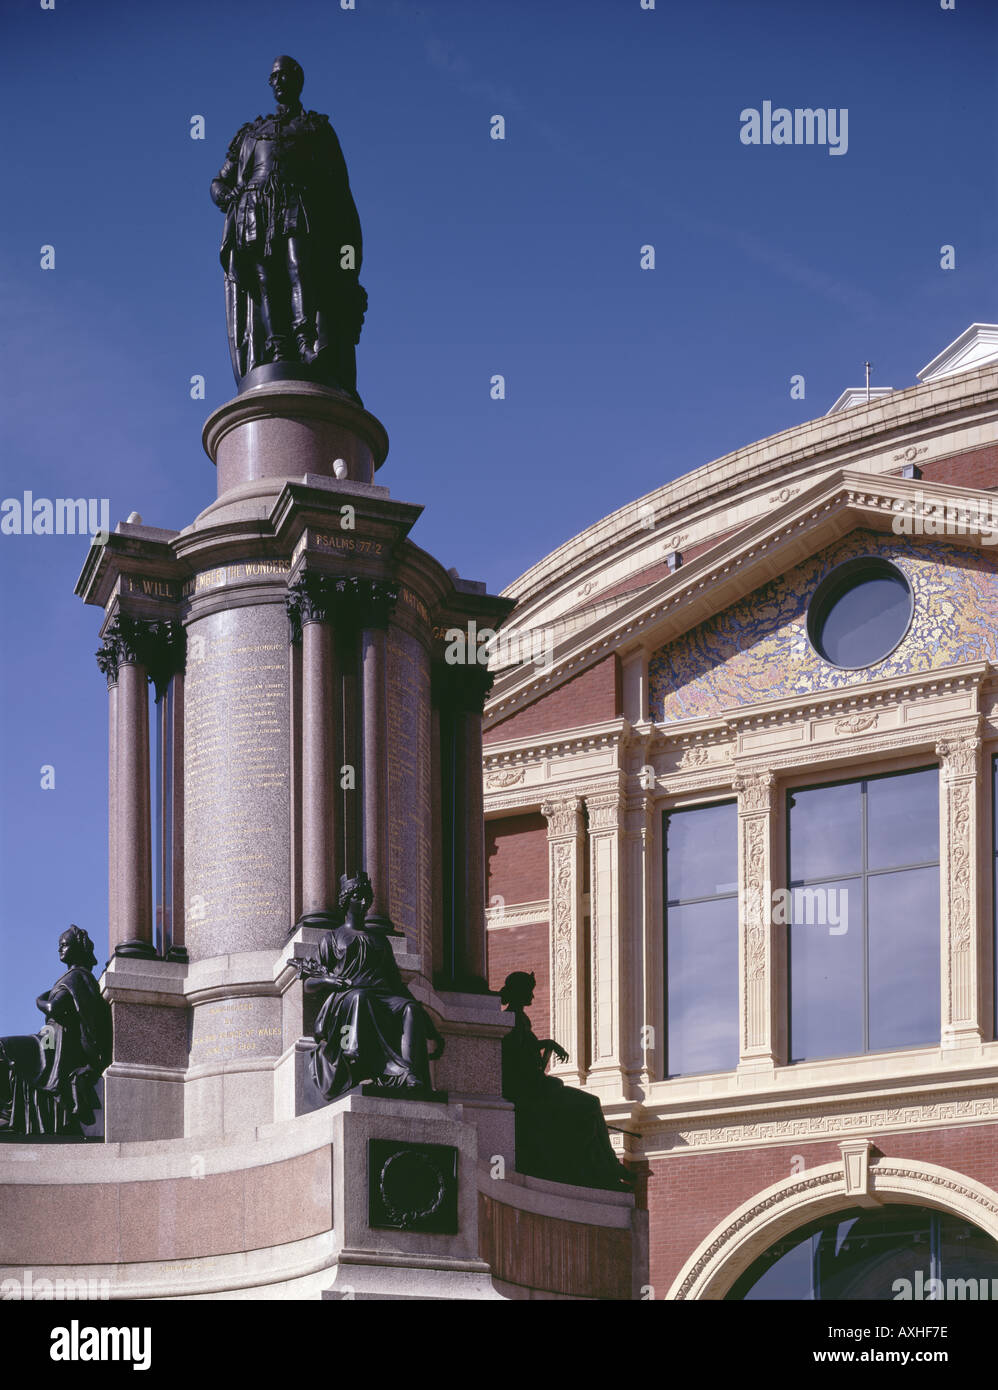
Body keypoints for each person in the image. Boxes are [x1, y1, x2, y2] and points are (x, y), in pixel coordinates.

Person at [210, 56, 366, 397]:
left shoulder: (315, 128)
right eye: (273, 78)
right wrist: (230, 196)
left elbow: (338, 187)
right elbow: (218, 182)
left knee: (300, 270)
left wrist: (347, 258)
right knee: (266, 281)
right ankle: (278, 348)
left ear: (299, 79)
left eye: (284, 75)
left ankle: (306, 341)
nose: (278, 82)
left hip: (299, 207)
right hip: (255, 212)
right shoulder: (250, 133)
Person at [305, 873, 444, 1101]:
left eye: (366, 897)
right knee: (361, 997)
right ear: (345, 900)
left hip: (384, 996)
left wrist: (431, 1028)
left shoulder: (380, 940)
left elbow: (396, 985)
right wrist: (329, 981)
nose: (363, 902)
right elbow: (310, 984)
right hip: (347, 999)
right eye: (357, 897)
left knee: (409, 1008)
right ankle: (355, 1060)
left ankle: (409, 1073)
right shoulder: (331, 939)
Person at [500, 971, 633, 1191]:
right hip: (530, 1094)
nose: (533, 997)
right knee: (590, 1105)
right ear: (520, 992)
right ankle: (608, 1166)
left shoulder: (519, 1019)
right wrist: (545, 1049)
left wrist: (547, 1044)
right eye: (529, 992)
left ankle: (609, 1165)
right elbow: (520, 1066)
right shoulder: (511, 1021)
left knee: (591, 1105)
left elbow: (527, 1054)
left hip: (537, 1089)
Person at [0, 926, 112, 1137]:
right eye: (59, 945)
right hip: (49, 1038)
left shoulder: (78, 976)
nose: (59, 948)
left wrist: (39, 1000)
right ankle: (8, 1111)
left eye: (64, 944)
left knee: (3, 1048)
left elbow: (54, 1008)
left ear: (77, 947)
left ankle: (7, 1114)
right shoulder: (71, 976)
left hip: (56, 1045)